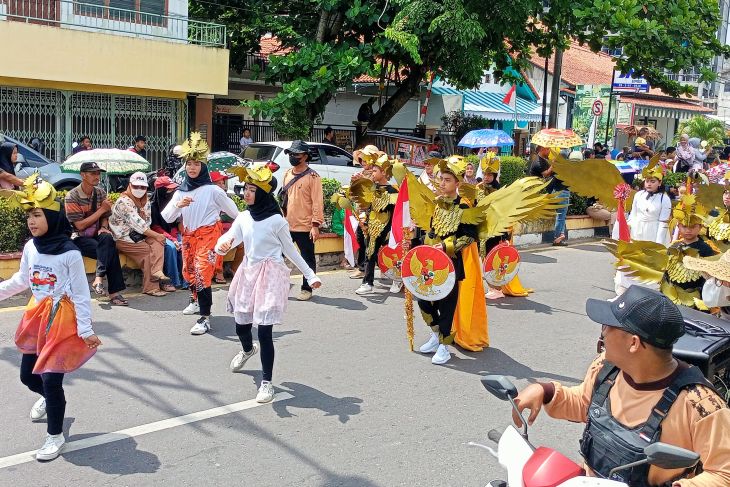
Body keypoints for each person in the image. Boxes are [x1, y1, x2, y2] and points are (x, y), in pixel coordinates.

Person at [512, 285, 730, 486]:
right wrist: (544, 391)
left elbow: (723, 474)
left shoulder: (700, 404)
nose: (602, 332)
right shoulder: (607, 368)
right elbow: (584, 402)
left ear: (633, 343)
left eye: (608, 325)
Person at [0, 175, 101, 461]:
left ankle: (55, 436)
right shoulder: (31, 247)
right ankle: (45, 396)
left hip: (60, 319)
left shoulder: (69, 254)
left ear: (52, 216)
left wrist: (85, 329)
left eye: (38, 215)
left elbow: (81, 294)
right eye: (29, 216)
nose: (32, 221)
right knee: (27, 377)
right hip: (36, 317)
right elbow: (21, 279)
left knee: (52, 380)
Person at [215, 165, 322, 403]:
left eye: (252, 190)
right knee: (241, 326)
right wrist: (219, 247)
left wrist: (310, 275)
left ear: (263, 193)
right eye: (245, 189)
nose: (247, 193)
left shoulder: (276, 221)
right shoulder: (243, 217)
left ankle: (266, 383)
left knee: (264, 330)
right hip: (248, 273)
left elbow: (291, 253)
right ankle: (246, 349)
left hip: (271, 274)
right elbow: (230, 239)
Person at [410, 157, 488, 364]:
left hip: (452, 264)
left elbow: (470, 236)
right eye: (440, 179)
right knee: (424, 299)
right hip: (432, 263)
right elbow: (433, 232)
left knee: (446, 305)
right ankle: (436, 335)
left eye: (446, 180)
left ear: (457, 183)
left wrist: (447, 246)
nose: (442, 183)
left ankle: (444, 345)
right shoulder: (438, 205)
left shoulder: (464, 207)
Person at [161, 132, 239, 335]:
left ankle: (205, 318)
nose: (192, 167)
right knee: (189, 271)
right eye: (189, 164)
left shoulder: (214, 191)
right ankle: (194, 300)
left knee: (202, 272)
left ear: (203, 167)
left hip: (208, 236)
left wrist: (231, 237)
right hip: (189, 237)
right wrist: (178, 205)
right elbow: (167, 218)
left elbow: (235, 214)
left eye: (196, 164)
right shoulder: (180, 192)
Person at [65, 162, 127, 306]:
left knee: (107, 238)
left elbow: (105, 215)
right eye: (93, 173)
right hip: (78, 238)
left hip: (97, 235)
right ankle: (114, 293)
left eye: (98, 173)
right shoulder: (71, 196)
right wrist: (101, 210)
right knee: (109, 250)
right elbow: (79, 225)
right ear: (83, 175)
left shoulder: (100, 192)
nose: (97, 176)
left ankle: (98, 278)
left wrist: (104, 227)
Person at [109, 172, 172, 297]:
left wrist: (155, 235)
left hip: (140, 235)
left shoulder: (145, 202)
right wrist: (156, 234)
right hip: (123, 238)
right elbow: (139, 224)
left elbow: (147, 222)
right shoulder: (123, 201)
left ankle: (157, 271)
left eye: (142, 187)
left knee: (159, 242)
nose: (139, 190)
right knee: (148, 252)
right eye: (136, 186)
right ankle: (151, 287)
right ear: (130, 186)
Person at [614, 162, 671, 295]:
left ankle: (648, 291)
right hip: (637, 231)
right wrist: (625, 230)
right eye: (647, 181)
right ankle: (626, 290)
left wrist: (657, 245)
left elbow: (663, 223)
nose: (649, 184)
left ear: (659, 183)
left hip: (654, 232)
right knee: (632, 261)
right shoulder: (638, 195)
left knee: (649, 264)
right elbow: (633, 215)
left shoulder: (664, 199)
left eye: (653, 181)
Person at [280, 140, 324, 301]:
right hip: (286, 225)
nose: (293, 157)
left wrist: (315, 225)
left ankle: (307, 288)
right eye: (291, 154)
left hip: (305, 226)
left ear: (305, 156)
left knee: (307, 258)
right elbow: (284, 199)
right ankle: (276, 285)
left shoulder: (313, 177)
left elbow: (317, 202)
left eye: (296, 154)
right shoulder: (287, 174)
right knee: (277, 256)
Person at [354, 157, 400, 295]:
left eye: (375, 171)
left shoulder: (393, 191)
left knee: (392, 255)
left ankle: (397, 278)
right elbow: (366, 206)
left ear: (384, 172)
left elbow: (396, 213)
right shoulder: (372, 188)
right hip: (372, 227)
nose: (372, 173)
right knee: (370, 253)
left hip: (388, 228)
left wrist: (393, 231)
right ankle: (368, 282)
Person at [150, 175, 185, 288]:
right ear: (161, 191)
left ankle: (186, 280)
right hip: (158, 235)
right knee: (171, 248)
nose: (172, 191)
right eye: (169, 189)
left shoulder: (174, 203)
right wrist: (172, 239)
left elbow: (176, 223)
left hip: (173, 233)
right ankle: (173, 280)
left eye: (173, 189)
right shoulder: (153, 206)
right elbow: (155, 227)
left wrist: (177, 237)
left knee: (184, 246)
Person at [530, 146, 570, 246]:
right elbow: (546, 174)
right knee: (561, 216)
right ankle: (557, 238)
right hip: (560, 192)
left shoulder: (548, 162)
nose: (549, 151)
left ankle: (560, 236)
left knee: (561, 216)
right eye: (548, 149)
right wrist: (554, 164)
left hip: (555, 191)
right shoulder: (539, 162)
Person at [210, 171, 244, 284]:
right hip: (211, 231)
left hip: (228, 230)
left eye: (223, 183)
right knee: (218, 242)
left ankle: (233, 269)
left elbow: (235, 215)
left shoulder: (227, 198)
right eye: (219, 183)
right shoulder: (208, 198)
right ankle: (217, 271)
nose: (223, 186)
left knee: (242, 243)